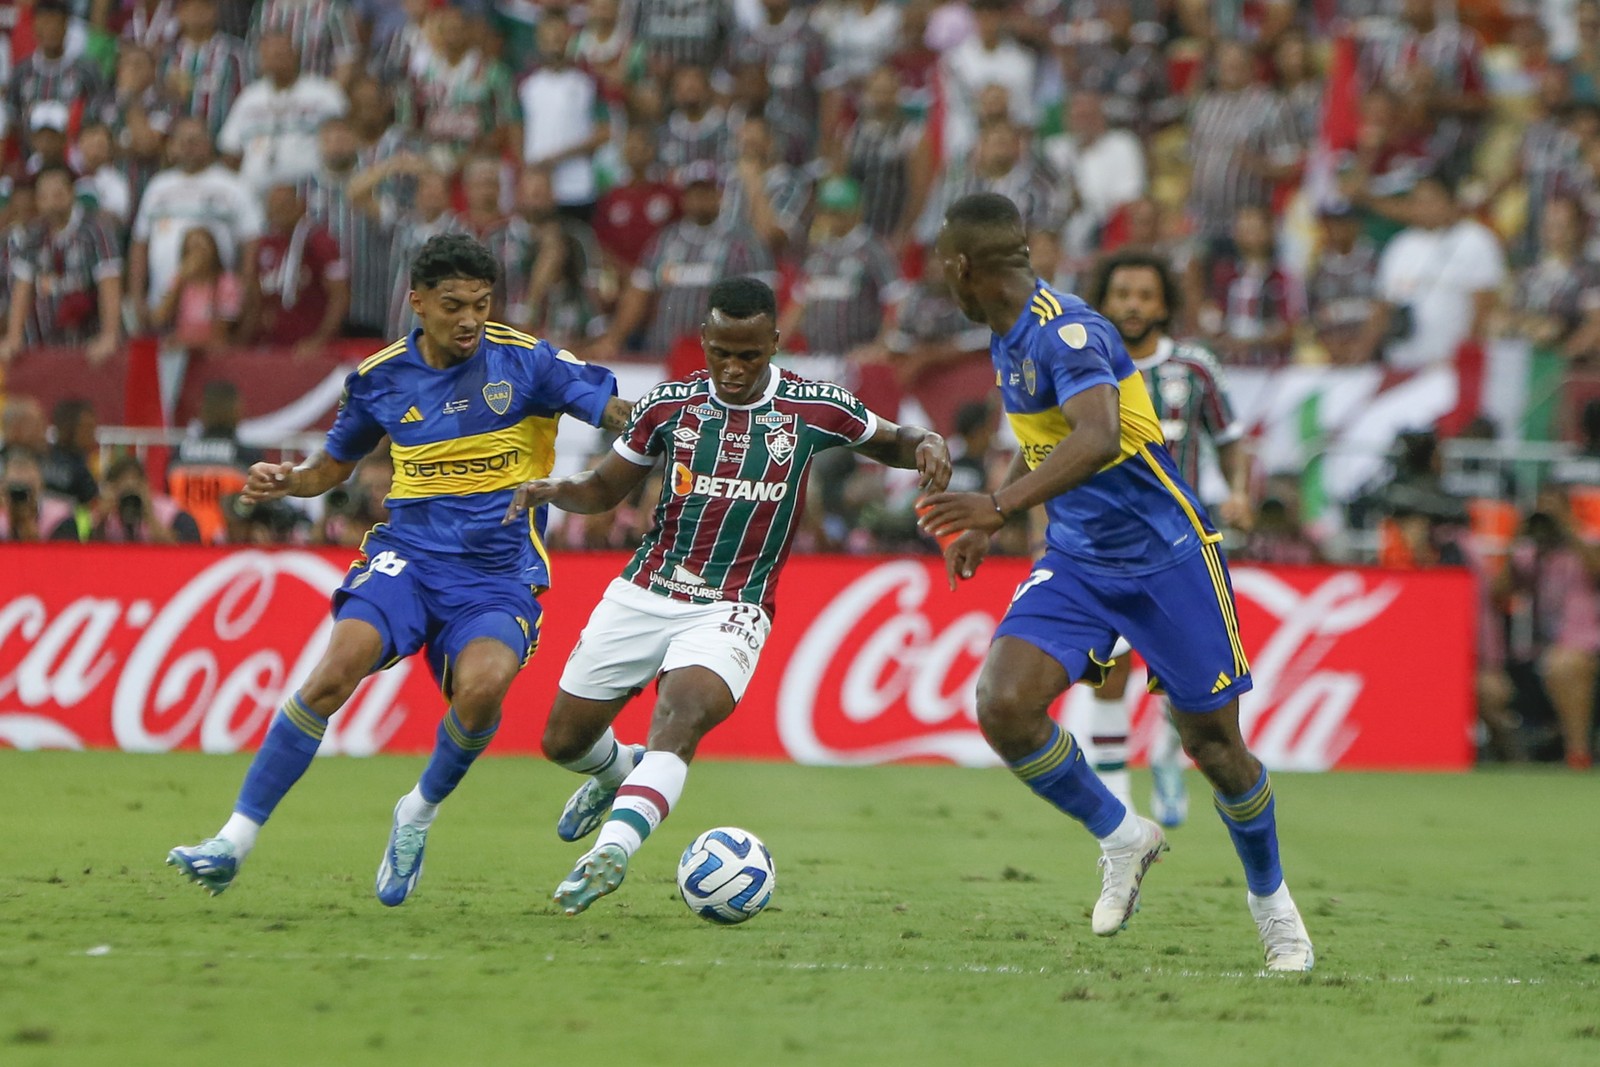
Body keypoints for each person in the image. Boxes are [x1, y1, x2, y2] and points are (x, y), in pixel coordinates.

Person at [168, 233, 633, 903]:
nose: (470, 319)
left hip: (498, 575)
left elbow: (610, 407)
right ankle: (231, 840)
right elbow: (333, 467)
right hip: (407, 559)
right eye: (453, 305)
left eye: (480, 303)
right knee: (333, 671)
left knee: (483, 690)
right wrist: (288, 480)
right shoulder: (381, 377)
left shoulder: (527, 362)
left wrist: (652, 418)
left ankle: (416, 811)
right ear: (417, 302)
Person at [916, 193, 1313, 971]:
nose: (940, 278)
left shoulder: (1069, 331)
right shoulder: (1006, 335)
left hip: (1168, 554)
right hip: (1078, 559)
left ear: (964, 268)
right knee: (1003, 704)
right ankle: (1124, 835)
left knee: (1215, 747)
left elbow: (1097, 437)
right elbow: (1045, 444)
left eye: (942, 264)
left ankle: (1273, 903)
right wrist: (986, 519)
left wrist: (994, 507)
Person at [508, 276, 950, 916]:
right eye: (721, 353)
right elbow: (605, 489)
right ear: (705, 343)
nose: (734, 368)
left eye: (750, 354)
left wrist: (929, 444)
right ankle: (616, 773)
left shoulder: (814, 407)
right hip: (646, 589)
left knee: (679, 718)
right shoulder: (667, 407)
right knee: (562, 741)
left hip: (734, 607)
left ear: (774, 343)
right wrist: (555, 489)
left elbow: (896, 440)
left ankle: (610, 853)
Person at [1087, 248, 1254, 828]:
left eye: (1145, 295)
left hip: (1181, 543)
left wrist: (1238, 490)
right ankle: (1116, 799)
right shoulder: (1084, 361)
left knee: (1187, 684)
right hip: (1103, 541)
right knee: (1106, 666)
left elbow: (1230, 438)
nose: (1132, 306)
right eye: (1122, 294)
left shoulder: (1195, 368)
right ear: (1104, 300)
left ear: (1163, 304)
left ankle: (1165, 750)